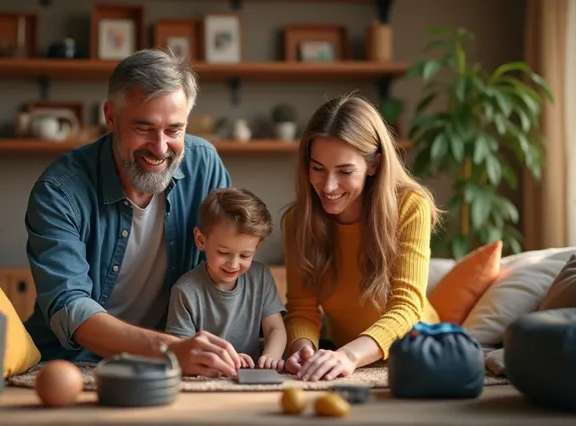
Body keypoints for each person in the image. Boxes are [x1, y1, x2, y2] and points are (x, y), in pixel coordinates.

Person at [23, 49, 243, 378]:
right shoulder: (59, 191)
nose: (160, 147)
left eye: (174, 130)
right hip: (72, 364)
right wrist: (170, 349)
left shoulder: (205, 166)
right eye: (144, 128)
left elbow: (222, 272)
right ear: (110, 117)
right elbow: (70, 307)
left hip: (175, 362)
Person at [281, 92, 443, 382]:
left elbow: (406, 307)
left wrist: (349, 356)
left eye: (345, 171)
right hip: (346, 360)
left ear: (374, 165)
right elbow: (302, 308)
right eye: (318, 168)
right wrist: (303, 349)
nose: (328, 186)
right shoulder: (298, 221)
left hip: (417, 354)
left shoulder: (410, 205)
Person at [165, 188, 287, 372]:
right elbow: (182, 351)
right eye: (223, 253)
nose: (233, 264)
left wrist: (270, 356)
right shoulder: (185, 292)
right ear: (200, 240)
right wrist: (228, 360)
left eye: (245, 255)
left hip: (251, 378)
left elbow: (274, 329)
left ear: (257, 246)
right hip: (206, 377)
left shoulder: (260, 277)